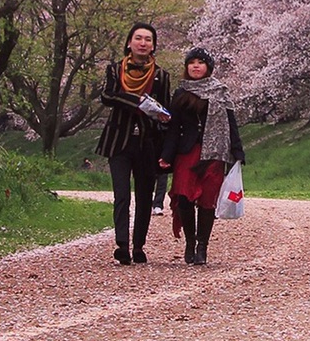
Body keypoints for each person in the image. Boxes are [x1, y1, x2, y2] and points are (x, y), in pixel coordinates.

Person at [96, 22, 172, 265]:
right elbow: (108, 96)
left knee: (144, 195)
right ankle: (122, 245)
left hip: (148, 142)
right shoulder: (115, 70)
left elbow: (165, 110)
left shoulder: (161, 76)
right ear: (129, 42)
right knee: (121, 194)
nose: (143, 43)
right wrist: (137, 101)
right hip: (119, 140)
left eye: (148, 39)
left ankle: (139, 245)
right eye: (138, 38)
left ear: (153, 46)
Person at [159, 47, 243, 265]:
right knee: (184, 196)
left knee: (207, 200)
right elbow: (173, 127)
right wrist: (166, 154)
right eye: (192, 62)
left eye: (201, 62)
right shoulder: (180, 92)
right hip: (187, 152)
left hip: (214, 153)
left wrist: (237, 151)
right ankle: (189, 240)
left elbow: (230, 123)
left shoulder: (220, 91)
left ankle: (202, 246)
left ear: (209, 67)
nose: (196, 66)